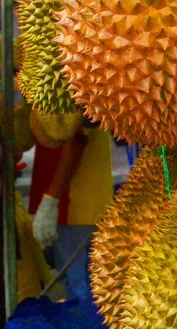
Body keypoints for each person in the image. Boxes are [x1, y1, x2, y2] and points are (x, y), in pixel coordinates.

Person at [30, 121, 113, 301]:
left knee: (85, 290)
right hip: (66, 208)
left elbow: (77, 142)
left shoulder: (79, 95)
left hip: (77, 207)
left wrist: (51, 199)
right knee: (71, 285)